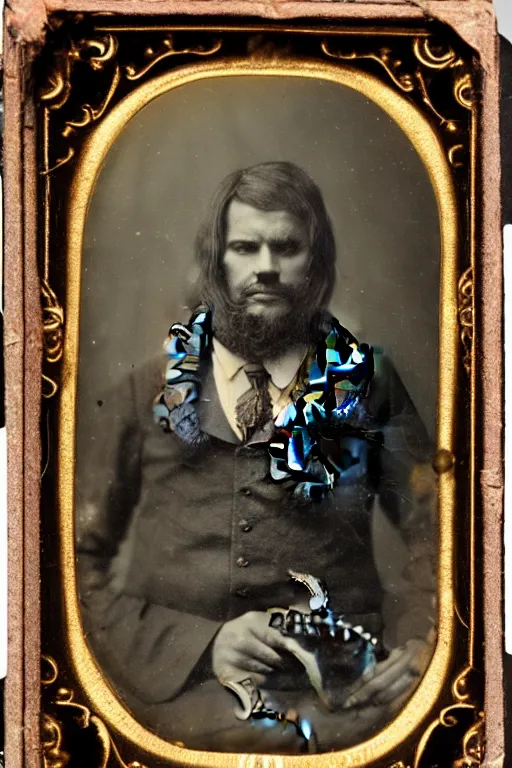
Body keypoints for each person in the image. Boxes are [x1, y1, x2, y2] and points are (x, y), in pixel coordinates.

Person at [77, 161, 437, 754]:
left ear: (315, 263)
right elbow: (68, 564)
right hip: (186, 693)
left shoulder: (366, 382)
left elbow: (442, 533)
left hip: (351, 692)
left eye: (288, 247)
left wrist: (423, 643)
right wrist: (198, 644)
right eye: (246, 247)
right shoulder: (148, 390)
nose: (266, 267)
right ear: (217, 260)